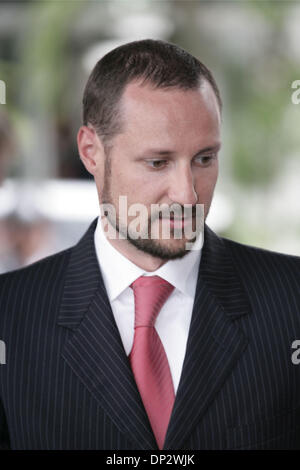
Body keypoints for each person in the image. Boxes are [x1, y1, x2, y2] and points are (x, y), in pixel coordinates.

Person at [0, 39, 300, 451]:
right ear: (91, 152)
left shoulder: (292, 302)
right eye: (158, 162)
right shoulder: (10, 316)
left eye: (204, 159)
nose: (187, 196)